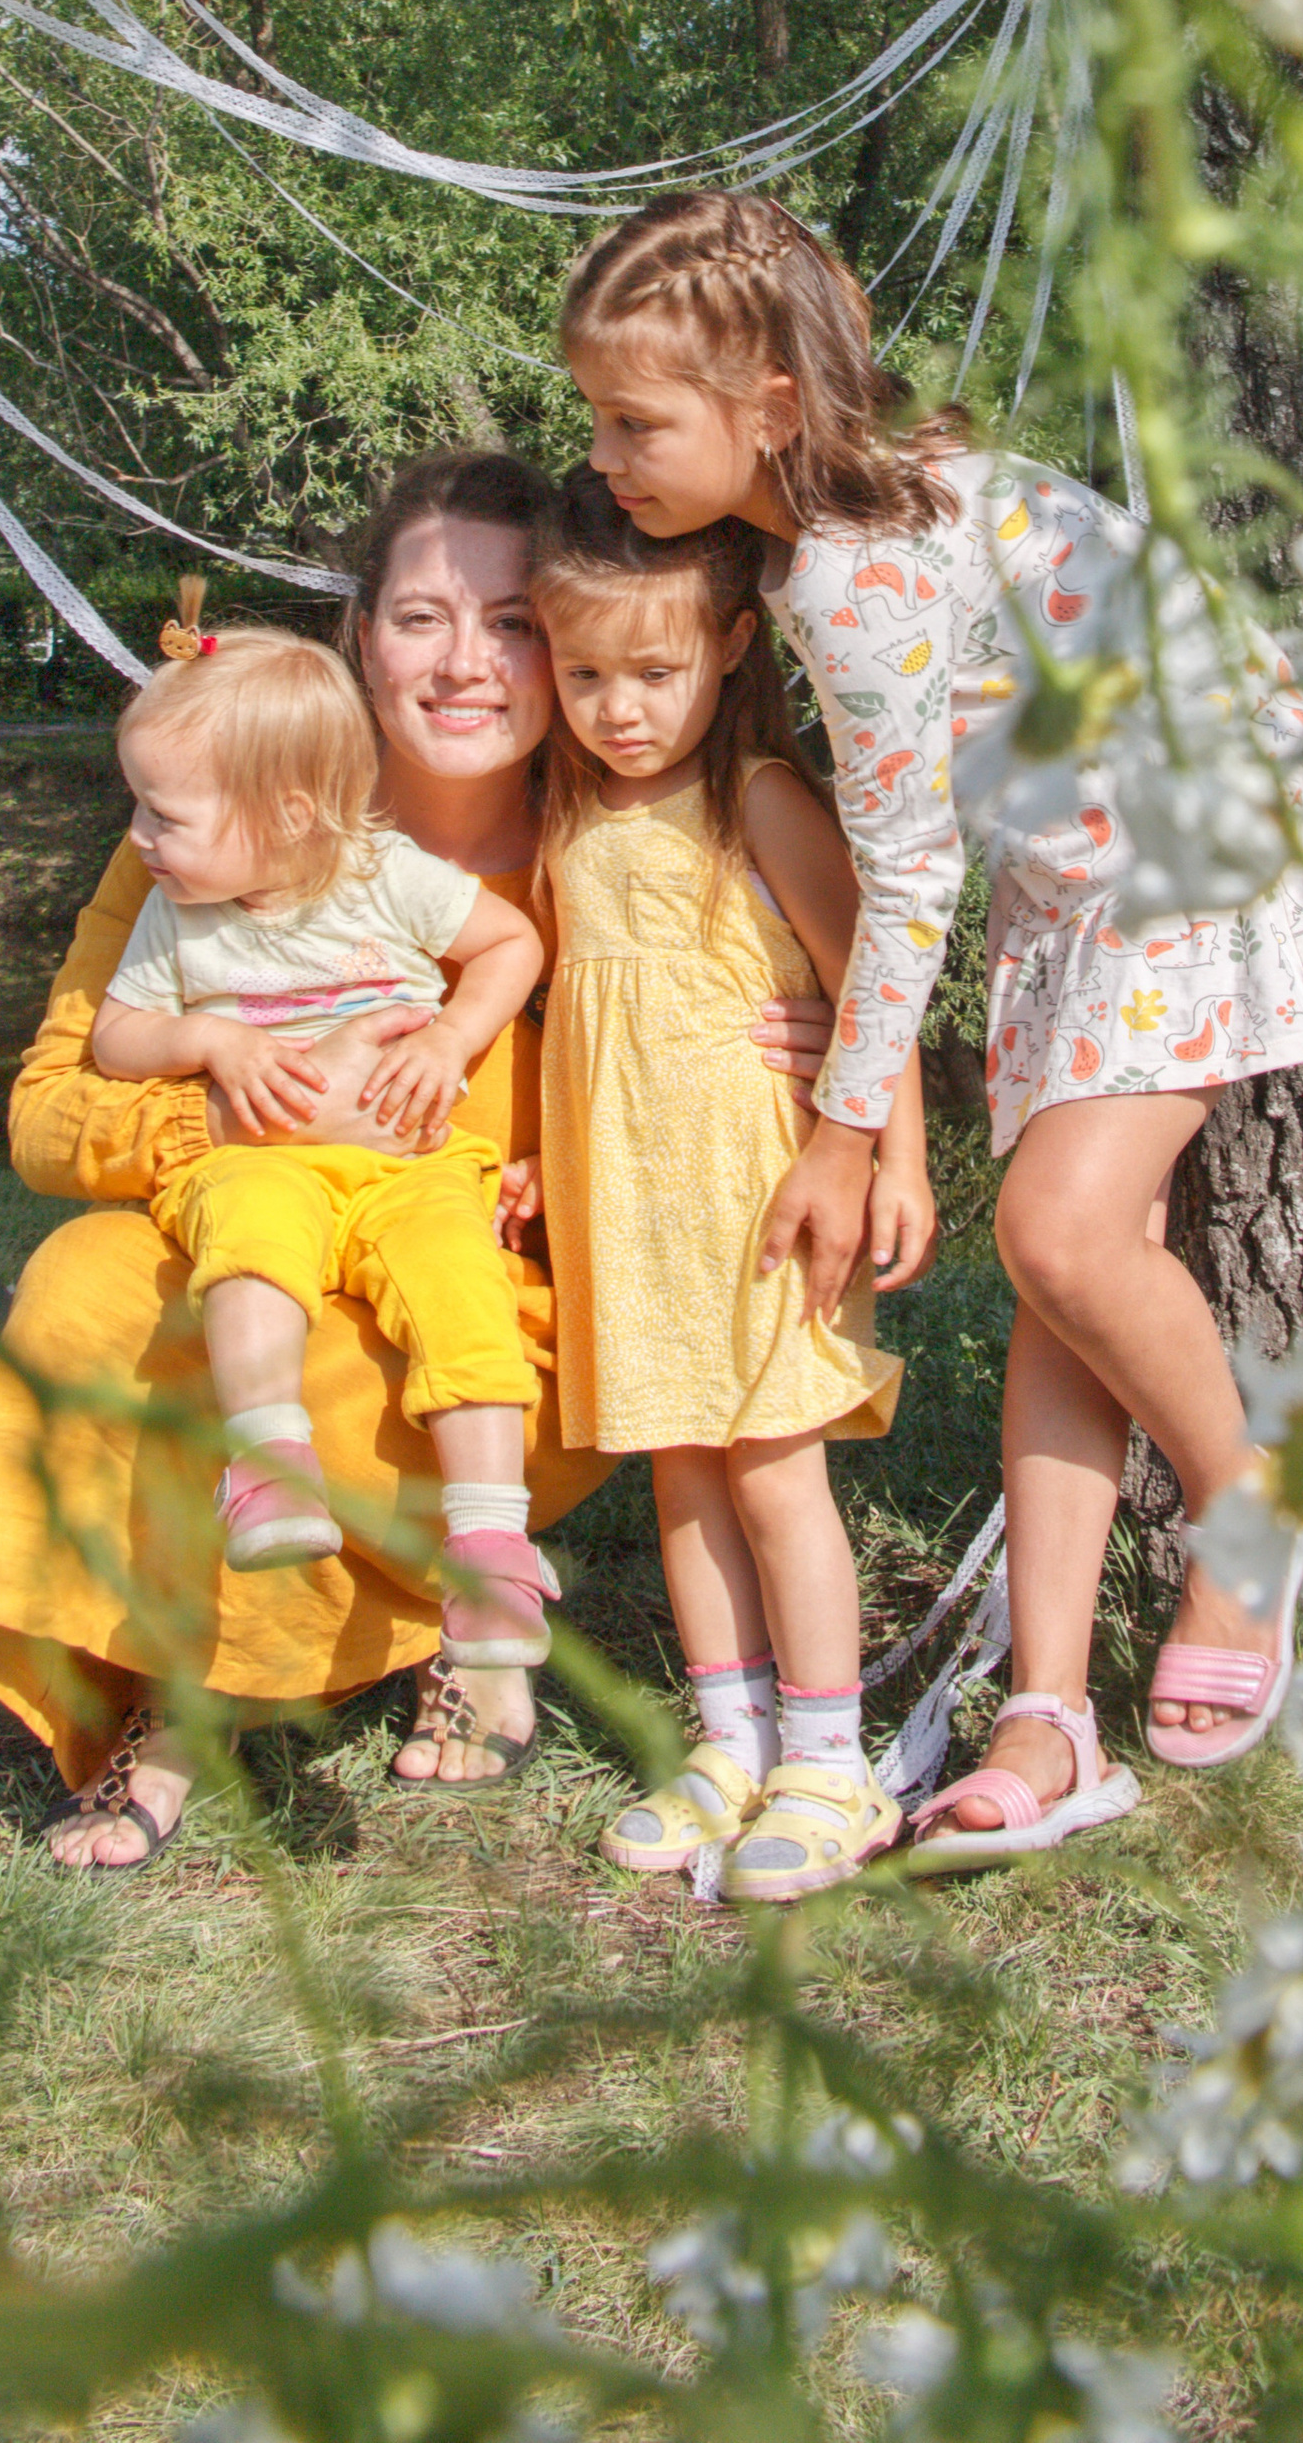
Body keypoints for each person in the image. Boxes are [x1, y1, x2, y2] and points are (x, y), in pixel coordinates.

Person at [559, 192, 1303, 1858]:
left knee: (1056, 1229)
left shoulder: (852, 568)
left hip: (1193, 847)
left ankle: (1247, 1514)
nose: (602, 451)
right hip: (1087, 881)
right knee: (1063, 1280)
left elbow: (904, 874)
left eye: (632, 419)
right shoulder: (844, 507)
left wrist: (843, 1122)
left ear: (764, 408)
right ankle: (1052, 1716)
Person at [0, 448, 833, 1861]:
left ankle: (423, 1630)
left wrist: (812, 1049)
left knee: (380, 1345)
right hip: (257, 1225)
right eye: (422, 618)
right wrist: (235, 1106)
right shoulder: (214, 834)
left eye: (514, 623)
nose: (467, 663)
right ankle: (171, 1685)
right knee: (87, 1286)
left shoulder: (616, 852)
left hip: (486, 1274)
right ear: (363, 638)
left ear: (570, 640)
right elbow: (49, 1111)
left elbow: (774, 1011)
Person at [525, 475, 935, 1902]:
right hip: (625, 1206)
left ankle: (832, 1762)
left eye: (654, 672)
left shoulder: (755, 798)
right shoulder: (565, 810)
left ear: (730, 650)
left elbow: (873, 977)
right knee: (681, 1468)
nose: (619, 707)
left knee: (771, 1466)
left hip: (758, 1197)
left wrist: (898, 1157)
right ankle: (728, 1735)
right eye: (585, 674)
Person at [88, 619, 553, 1666]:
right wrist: (208, 1038)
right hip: (261, 1159)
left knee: (459, 1285)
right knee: (247, 1240)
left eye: (164, 814)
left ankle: (491, 1546)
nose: (137, 838)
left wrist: (448, 1040)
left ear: (289, 814)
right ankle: (268, 1462)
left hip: (409, 1165)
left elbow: (509, 943)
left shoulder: (386, 874)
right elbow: (113, 1040)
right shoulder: (176, 916)